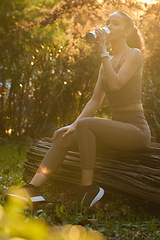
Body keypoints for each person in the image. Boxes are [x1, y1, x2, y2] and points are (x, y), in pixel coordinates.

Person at [7, 11, 151, 208]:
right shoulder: (105, 63)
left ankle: (87, 190)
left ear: (126, 31)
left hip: (135, 130)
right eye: (107, 22)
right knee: (64, 136)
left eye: (115, 23)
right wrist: (72, 126)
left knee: (85, 125)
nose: (108, 26)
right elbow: (95, 101)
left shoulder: (133, 54)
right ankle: (32, 189)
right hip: (116, 126)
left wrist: (102, 51)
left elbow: (117, 85)